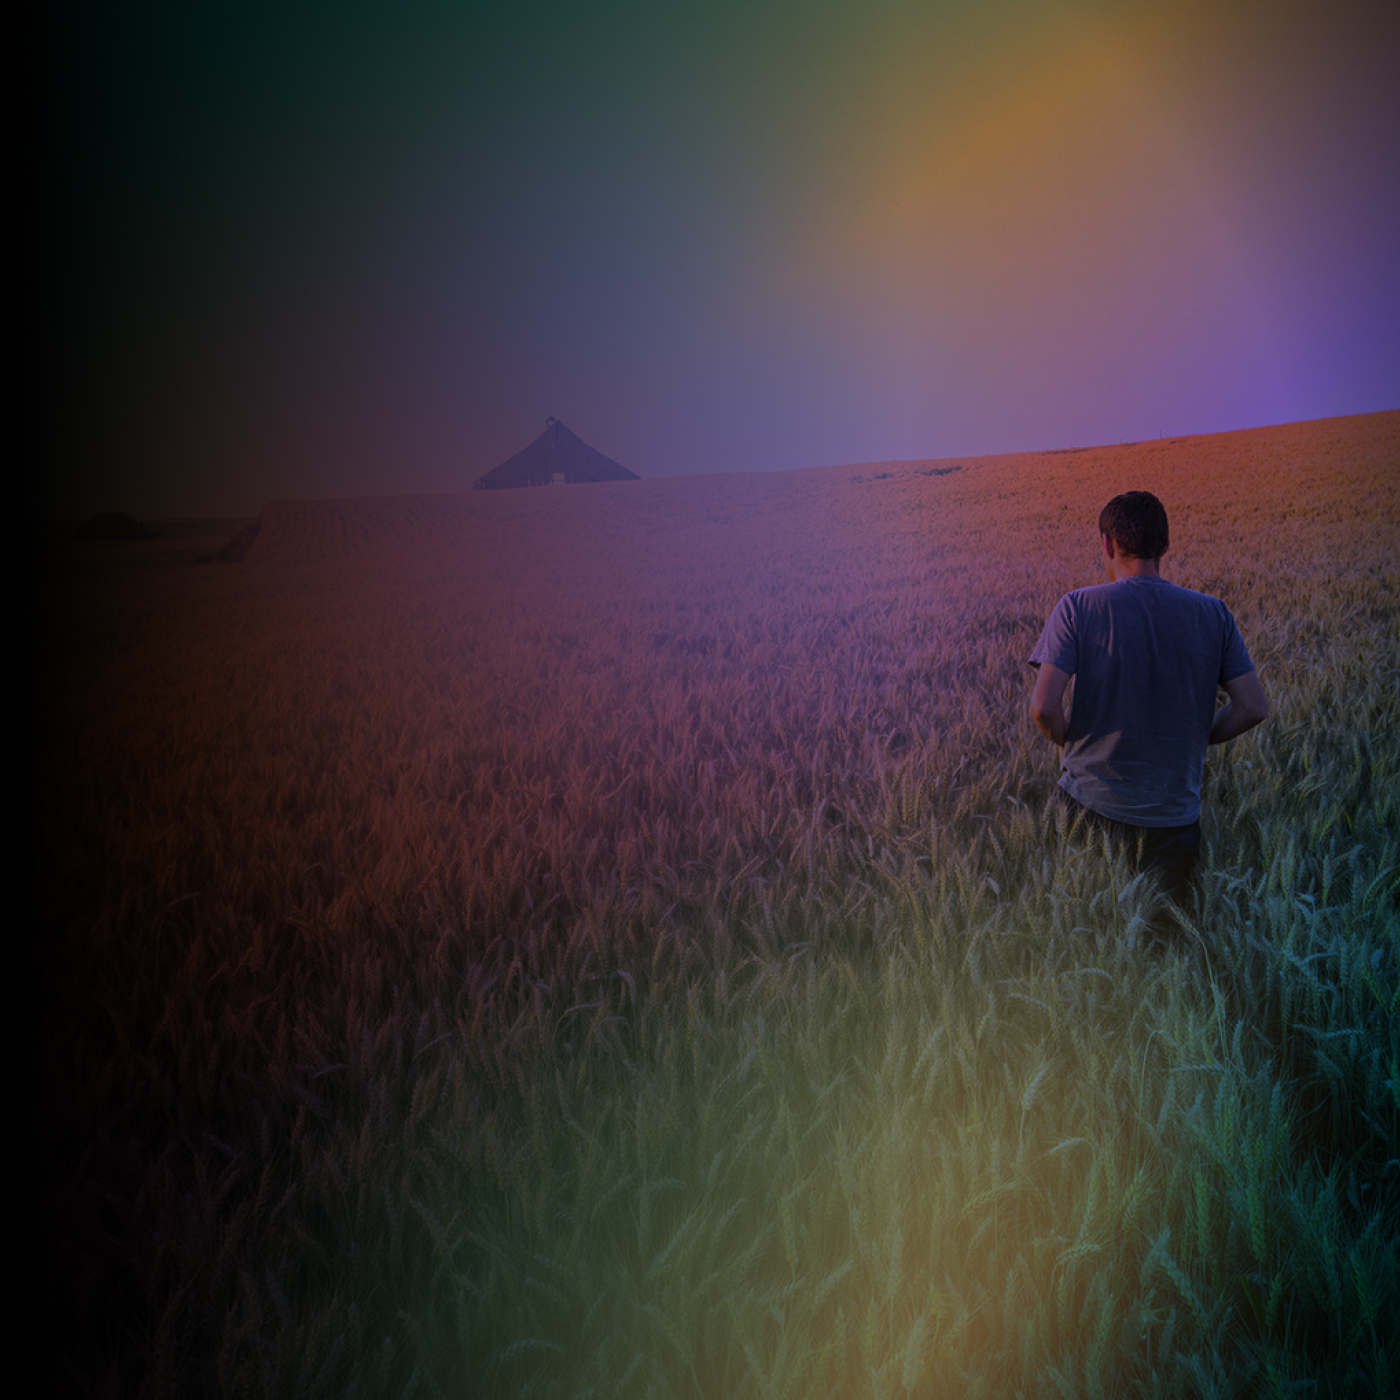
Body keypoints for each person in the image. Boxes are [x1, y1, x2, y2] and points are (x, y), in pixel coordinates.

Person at [1028, 491, 1268, 936]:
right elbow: (1253, 706)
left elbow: (1043, 706)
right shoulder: (1213, 614)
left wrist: (1075, 741)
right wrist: (1201, 735)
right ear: (1165, 545)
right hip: (1173, 819)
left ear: (1107, 544)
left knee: (1084, 939)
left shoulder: (1077, 606)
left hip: (1088, 807)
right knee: (1163, 955)